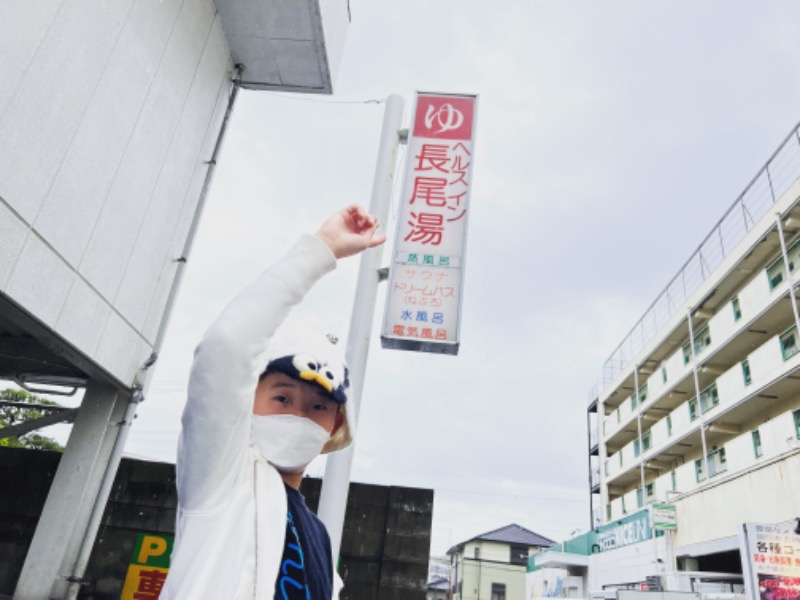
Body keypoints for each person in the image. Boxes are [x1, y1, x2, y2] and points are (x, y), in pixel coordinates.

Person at [160, 205, 386, 599]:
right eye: (282, 397)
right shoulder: (222, 478)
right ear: (245, 399)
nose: (298, 415)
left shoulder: (318, 534)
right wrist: (323, 249)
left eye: (318, 407)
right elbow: (227, 348)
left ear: (335, 425)